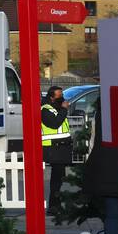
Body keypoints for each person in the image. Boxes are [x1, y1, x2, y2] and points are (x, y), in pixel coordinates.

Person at [41, 85, 71, 217]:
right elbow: (54, 124)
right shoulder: (45, 110)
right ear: (52, 97)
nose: (62, 97)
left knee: (59, 178)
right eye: (59, 95)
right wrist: (64, 109)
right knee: (56, 179)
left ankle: (56, 205)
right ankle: (53, 206)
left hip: (61, 147)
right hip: (53, 147)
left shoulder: (57, 108)